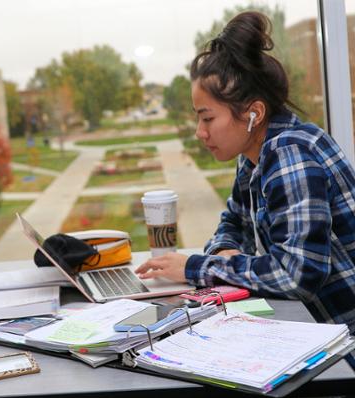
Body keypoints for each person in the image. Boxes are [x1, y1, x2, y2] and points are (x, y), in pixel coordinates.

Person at [135, 11, 355, 368]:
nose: (199, 132)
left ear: (253, 113)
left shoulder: (290, 155)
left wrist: (195, 268)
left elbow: (296, 277)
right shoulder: (253, 155)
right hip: (309, 332)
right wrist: (223, 251)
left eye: (207, 118)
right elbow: (232, 222)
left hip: (342, 349)